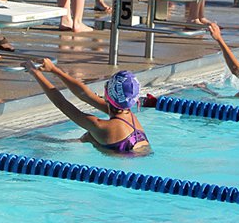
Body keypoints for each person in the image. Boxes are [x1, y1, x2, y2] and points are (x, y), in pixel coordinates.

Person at [22, 59, 150, 154]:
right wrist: (54, 70)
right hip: (139, 157)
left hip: (121, 167)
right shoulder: (129, 116)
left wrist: (35, 73)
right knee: (90, 137)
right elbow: (85, 94)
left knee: (89, 136)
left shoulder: (100, 126)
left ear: (107, 92)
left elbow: (62, 103)